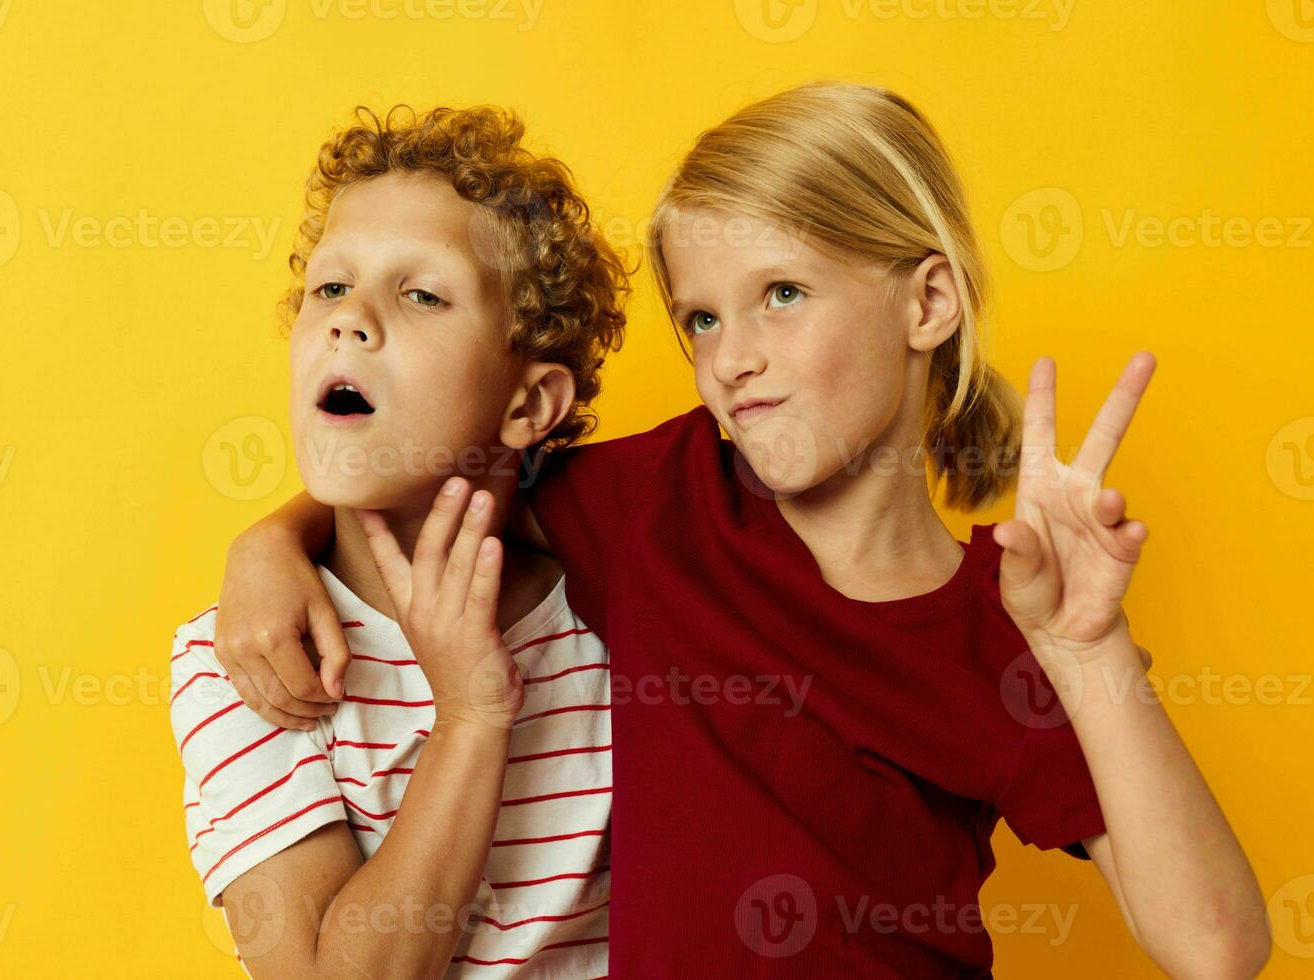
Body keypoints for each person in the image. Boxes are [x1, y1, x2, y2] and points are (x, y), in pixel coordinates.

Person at [214, 83, 1269, 976]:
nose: (733, 357)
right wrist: (270, 540)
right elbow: (440, 464)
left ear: (928, 301)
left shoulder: (1008, 623)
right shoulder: (657, 502)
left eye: (783, 294)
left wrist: (1088, 650)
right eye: (704, 319)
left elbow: (1219, 945)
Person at [169, 104, 627, 978]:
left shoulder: (619, 612)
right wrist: (471, 717)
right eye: (331, 288)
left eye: (421, 294)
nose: (351, 319)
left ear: (528, 405)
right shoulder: (247, 654)